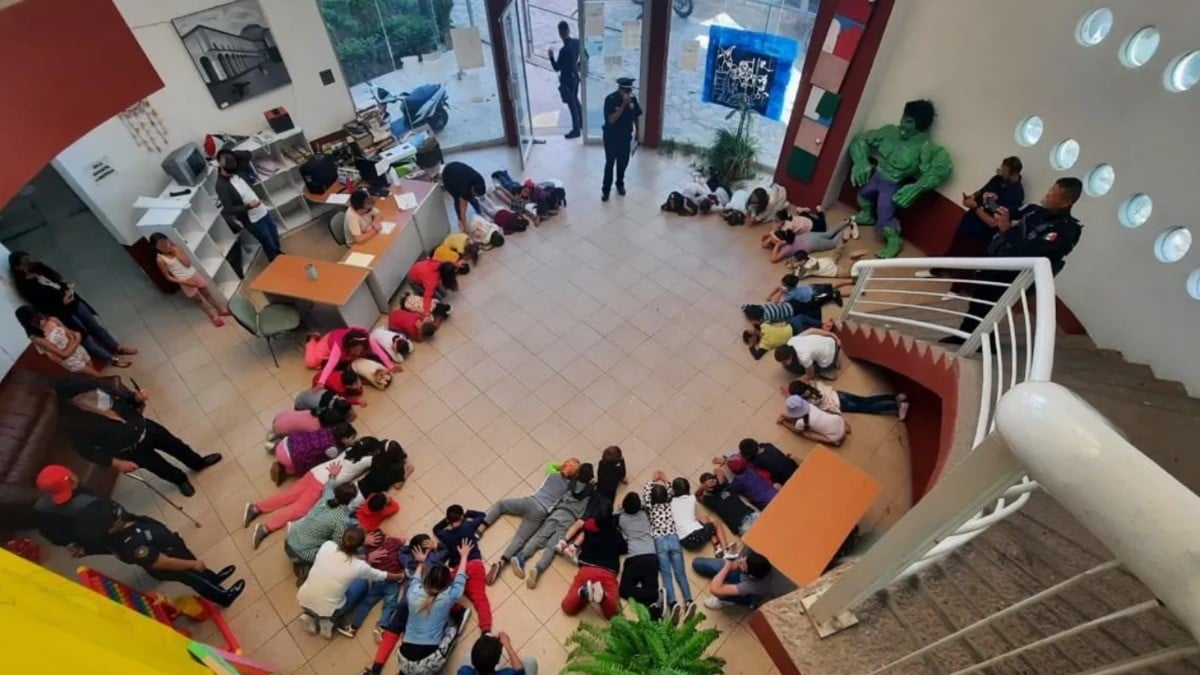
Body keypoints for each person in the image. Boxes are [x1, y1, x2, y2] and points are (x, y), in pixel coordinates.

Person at [941, 178, 1085, 345]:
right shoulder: (1034, 211)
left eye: (1053, 194)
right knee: (978, 300)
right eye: (1049, 191)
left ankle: (987, 344)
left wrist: (1007, 231)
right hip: (998, 262)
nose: (1047, 195)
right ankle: (964, 334)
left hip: (1016, 275)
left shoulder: (1066, 230)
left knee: (992, 307)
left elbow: (1030, 252)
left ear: (1066, 202)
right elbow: (1010, 213)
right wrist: (989, 203)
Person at [56, 376, 220, 497]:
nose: (93, 395)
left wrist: (137, 398)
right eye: (85, 395)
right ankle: (180, 479)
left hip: (145, 427)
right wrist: (117, 463)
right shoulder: (74, 424)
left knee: (177, 446)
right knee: (158, 466)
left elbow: (128, 401)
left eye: (92, 391)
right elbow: (87, 451)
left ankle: (197, 463)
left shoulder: (103, 392)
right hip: (130, 449)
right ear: (74, 401)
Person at [79, 497, 245, 607]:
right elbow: (162, 562)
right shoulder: (132, 546)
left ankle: (214, 578)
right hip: (170, 563)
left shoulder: (124, 523)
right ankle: (223, 596)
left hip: (172, 547)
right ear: (110, 528)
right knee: (195, 578)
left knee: (198, 569)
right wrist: (193, 564)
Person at [848, 99, 953, 258]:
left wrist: (917, 187)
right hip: (877, 175)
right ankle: (868, 215)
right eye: (903, 119)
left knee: (884, 217)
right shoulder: (890, 131)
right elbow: (861, 140)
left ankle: (894, 241)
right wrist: (861, 160)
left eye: (909, 122)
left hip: (892, 184)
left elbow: (942, 168)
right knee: (862, 196)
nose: (903, 124)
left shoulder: (925, 148)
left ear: (920, 125)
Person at [9, 251, 135, 366]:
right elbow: (42, 304)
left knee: (95, 326)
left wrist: (68, 290)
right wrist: (62, 302)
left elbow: (58, 281)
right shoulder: (25, 286)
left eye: (28, 259)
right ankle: (111, 359)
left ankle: (117, 347)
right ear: (18, 267)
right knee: (85, 337)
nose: (29, 263)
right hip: (62, 312)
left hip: (73, 301)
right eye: (24, 262)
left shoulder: (39, 269)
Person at [245, 450, 376, 550]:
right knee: (298, 510)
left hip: (316, 472)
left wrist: (333, 476)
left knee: (289, 495)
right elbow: (376, 460)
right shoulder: (365, 460)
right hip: (319, 484)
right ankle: (265, 528)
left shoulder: (350, 450)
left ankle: (256, 508)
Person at [918, 156, 1025, 278]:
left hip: (983, 231)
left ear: (1014, 172)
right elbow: (981, 192)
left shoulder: (1016, 193)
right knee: (955, 247)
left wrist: (974, 207)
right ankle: (936, 271)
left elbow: (994, 222)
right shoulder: (997, 179)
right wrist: (971, 197)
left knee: (970, 258)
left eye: (1005, 169)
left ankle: (958, 289)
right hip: (970, 220)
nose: (1001, 171)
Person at [481, 459, 581, 585]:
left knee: (501, 505)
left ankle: (482, 526)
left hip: (529, 502)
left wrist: (564, 467)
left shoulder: (551, 473)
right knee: (520, 538)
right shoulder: (569, 489)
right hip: (540, 512)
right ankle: (502, 561)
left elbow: (552, 465)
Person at [297, 526, 405, 638]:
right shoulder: (358, 566)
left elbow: (344, 554)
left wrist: (367, 555)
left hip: (304, 599)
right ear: (360, 545)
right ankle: (330, 621)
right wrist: (400, 576)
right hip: (329, 610)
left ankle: (309, 616)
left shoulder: (327, 545)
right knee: (362, 584)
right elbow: (383, 575)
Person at [395, 541, 476, 675]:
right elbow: (460, 578)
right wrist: (464, 557)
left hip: (404, 660)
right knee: (451, 627)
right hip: (429, 661)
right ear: (447, 584)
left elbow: (416, 578)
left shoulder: (413, 592)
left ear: (426, 580)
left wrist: (421, 562)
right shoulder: (447, 597)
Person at [512, 463, 596, 589]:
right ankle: (538, 568)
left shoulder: (571, 483)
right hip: (570, 519)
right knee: (552, 546)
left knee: (540, 537)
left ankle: (521, 557)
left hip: (557, 512)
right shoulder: (591, 492)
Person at [34, 465, 124, 557]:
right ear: (73, 477)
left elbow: (50, 534)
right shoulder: (88, 501)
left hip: (85, 542)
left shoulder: (41, 508)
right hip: (109, 534)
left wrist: (72, 545)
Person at [432, 505, 494, 633]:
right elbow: (482, 515)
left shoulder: (446, 535)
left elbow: (436, 529)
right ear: (461, 516)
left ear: (449, 520)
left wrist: (446, 521)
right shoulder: (468, 526)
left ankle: (458, 610)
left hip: (458, 569)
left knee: (441, 592)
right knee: (480, 599)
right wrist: (467, 513)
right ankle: (486, 630)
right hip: (475, 565)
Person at [282, 481, 361, 580]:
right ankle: (304, 569)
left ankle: (299, 562)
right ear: (350, 500)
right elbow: (339, 542)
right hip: (302, 553)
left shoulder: (326, 497)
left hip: (289, 540)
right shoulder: (341, 519)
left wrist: (332, 476)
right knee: (333, 553)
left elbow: (328, 486)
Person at [643, 471, 694, 623]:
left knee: (666, 574)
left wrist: (652, 479)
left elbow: (646, 491)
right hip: (673, 538)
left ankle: (673, 603)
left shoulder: (650, 506)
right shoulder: (669, 503)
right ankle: (689, 601)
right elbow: (671, 489)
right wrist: (665, 479)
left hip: (660, 540)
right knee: (681, 574)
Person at [149, 233, 230, 326]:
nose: (164, 246)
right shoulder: (160, 259)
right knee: (198, 300)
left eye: (165, 242)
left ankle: (219, 309)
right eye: (160, 245)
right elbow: (168, 277)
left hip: (194, 275)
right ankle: (212, 317)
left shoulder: (176, 248)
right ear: (155, 247)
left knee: (207, 293)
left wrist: (175, 253)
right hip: (184, 281)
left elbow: (187, 263)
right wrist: (185, 281)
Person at [215, 149, 282, 260]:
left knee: (274, 233)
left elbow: (247, 155)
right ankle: (275, 262)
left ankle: (280, 256)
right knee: (267, 241)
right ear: (221, 167)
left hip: (262, 210)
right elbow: (229, 210)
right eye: (228, 172)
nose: (231, 174)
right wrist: (248, 207)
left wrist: (230, 154)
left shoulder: (236, 169)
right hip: (252, 219)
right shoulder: (221, 186)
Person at [560, 509, 626, 620]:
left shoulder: (589, 527)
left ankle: (583, 592)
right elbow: (624, 548)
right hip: (607, 572)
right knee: (613, 613)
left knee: (567, 608)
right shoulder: (616, 534)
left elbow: (586, 525)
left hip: (587, 569)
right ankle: (603, 597)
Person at [613, 492, 664, 621]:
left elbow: (610, 516)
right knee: (651, 595)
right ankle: (656, 611)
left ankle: (654, 595)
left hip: (634, 558)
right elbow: (646, 503)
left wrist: (619, 509)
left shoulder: (621, 518)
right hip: (651, 557)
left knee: (624, 590)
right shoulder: (644, 514)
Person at [16, 305, 103, 375]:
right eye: (34, 321)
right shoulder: (37, 337)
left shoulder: (53, 320)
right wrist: (77, 340)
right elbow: (63, 355)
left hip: (78, 349)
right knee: (97, 375)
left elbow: (70, 336)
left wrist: (73, 341)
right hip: (70, 360)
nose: (40, 321)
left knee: (93, 370)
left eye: (38, 317)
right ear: (28, 324)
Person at [266, 421, 359, 486]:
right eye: (352, 438)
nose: (353, 440)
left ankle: (274, 447)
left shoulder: (326, 430)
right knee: (304, 464)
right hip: (291, 456)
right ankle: (284, 470)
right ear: (344, 439)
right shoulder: (332, 449)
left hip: (286, 443)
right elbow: (331, 460)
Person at [305, 327, 397, 388]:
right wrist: (321, 382)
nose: (357, 352)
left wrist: (390, 366)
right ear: (348, 347)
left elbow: (379, 352)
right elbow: (330, 364)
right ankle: (312, 339)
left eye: (359, 349)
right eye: (354, 350)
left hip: (345, 348)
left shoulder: (367, 339)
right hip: (329, 342)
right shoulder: (339, 347)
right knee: (312, 362)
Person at [669, 477, 737, 559]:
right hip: (696, 536)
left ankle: (717, 548)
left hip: (685, 542)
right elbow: (698, 493)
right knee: (716, 524)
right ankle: (726, 550)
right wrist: (703, 486)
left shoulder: (671, 502)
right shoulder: (691, 498)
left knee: (703, 518)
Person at [694, 550, 783, 610]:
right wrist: (736, 564)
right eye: (744, 558)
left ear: (750, 574)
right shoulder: (755, 560)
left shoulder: (752, 586)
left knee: (719, 591)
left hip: (750, 594)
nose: (741, 560)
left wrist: (728, 565)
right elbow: (737, 563)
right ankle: (722, 578)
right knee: (698, 563)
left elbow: (714, 589)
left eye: (743, 564)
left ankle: (726, 600)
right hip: (742, 575)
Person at [600, 77, 642, 201]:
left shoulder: (633, 99)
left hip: (625, 137)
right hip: (611, 137)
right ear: (620, 89)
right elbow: (611, 120)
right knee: (610, 163)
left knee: (623, 162)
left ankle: (620, 184)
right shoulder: (610, 99)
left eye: (630, 89)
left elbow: (636, 116)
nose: (629, 92)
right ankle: (606, 190)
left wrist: (638, 132)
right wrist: (623, 105)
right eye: (627, 90)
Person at [788, 378, 908, 419]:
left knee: (869, 408)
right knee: (867, 400)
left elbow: (812, 410)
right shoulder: (812, 384)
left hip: (842, 404)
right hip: (839, 394)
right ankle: (896, 397)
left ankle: (897, 406)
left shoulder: (810, 401)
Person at [550, 20, 582, 139]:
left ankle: (576, 129)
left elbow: (556, 67)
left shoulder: (563, 51)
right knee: (575, 100)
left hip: (567, 81)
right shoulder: (577, 43)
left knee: (572, 105)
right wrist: (577, 66)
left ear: (560, 33)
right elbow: (585, 55)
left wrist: (551, 57)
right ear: (568, 30)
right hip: (575, 78)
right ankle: (582, 122)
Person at [778, 393, 849, 446]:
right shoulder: (811, 406)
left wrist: (784, 422)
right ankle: (845, 429)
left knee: (805, 433)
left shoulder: (800, 422)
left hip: (836, 436)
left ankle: (835, 441)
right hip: (840, 421)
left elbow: (796, 430)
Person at [713, 455, 777, 510]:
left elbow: (729, 488)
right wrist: (725, 461)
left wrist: (720, 475)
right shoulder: (749, 468)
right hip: (774, 493)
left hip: (766, 503)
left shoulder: (739, 482)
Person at [773, 328, 841, 379]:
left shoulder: (803, 357)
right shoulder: (792, 341)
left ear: (790, 356)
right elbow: (811, 330)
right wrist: (831, 334)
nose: (782, 364)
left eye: (784, 362)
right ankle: (834, 358)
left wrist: (796, 382)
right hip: (831, 342)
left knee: (795, 369)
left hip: (829, 357)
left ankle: (828, 369)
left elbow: (810, 375)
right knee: (792, 366)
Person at [459, 632, 538, 674]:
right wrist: (508, 646)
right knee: (531, 662)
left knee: (467, 655)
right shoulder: (507, 673)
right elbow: (520, 672)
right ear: (497, 661)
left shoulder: (464, 671)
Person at [442, 161, 487, 229]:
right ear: (472, 189)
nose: (475, 196)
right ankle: (460, 222)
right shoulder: (464, 189)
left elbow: (474, 195)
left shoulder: (480, 180)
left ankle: (479, 212)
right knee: (458, 199)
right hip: (448, 175)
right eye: (475, 194)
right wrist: (464, 227)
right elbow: (462, 210)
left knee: (471, 198)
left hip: (458, 168)